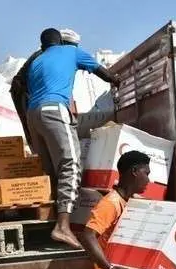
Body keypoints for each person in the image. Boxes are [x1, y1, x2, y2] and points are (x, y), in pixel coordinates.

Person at [24, 28, 120, 249]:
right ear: (60, 42)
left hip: (33, 115)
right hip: (53, 109)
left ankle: (50, 222)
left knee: (50, 169)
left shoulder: (36, 62)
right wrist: (116, 80)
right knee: (71, 163)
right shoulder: (70, 51)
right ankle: (63, 227)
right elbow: (102, 73)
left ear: (43, 46)